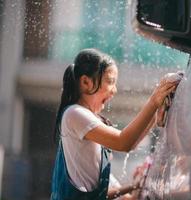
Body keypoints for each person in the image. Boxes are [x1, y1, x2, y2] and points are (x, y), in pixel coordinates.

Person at [50, 48, 180, 200]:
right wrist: (154, 100)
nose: (114, 90)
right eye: (110, 82)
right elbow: (123, 142)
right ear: (86, 82)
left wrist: (156, 111)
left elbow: (130, 144)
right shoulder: (74, 113)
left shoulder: (87, 120)